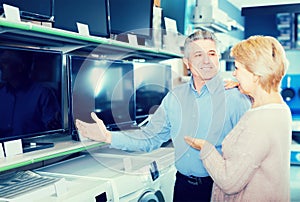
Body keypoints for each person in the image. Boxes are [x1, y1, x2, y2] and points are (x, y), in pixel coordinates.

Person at [76, 30, 251, 202]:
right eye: (198, 55)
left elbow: (249, 156)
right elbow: (149, 138)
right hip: (183, 188)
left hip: (219, 191)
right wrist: (107, 136)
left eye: (212, 53)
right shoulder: (174, 97)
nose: (206, 60)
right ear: (187, 62)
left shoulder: (236, 97)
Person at [185, 35, 292, 201]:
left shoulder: (260, 122)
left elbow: (229, 182)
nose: (234, 74)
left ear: (256, 74)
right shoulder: (279, 109)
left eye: (238, 68)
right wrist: (249, 89)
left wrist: (205, 147)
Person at [0, 49, 61, 138]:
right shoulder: (1, 93)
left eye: (5, 62)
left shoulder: (43, 94)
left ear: (20, 67)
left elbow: (54, 131)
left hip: (34, 150)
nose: (0, 67)